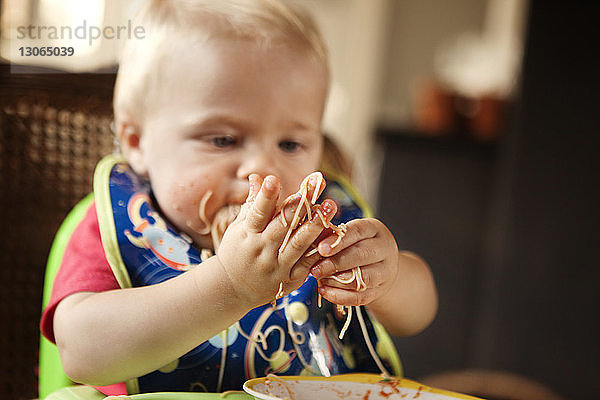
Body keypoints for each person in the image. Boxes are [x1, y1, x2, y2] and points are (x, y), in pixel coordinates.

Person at [40, 0, 438, 397]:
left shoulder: (325, 222)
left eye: (290, 143)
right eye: (223, 140)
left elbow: (421, 311)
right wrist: (230, 285)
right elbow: (81, 352)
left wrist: (388, 276)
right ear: (136, 142)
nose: (264, 169)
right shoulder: (118, 222)